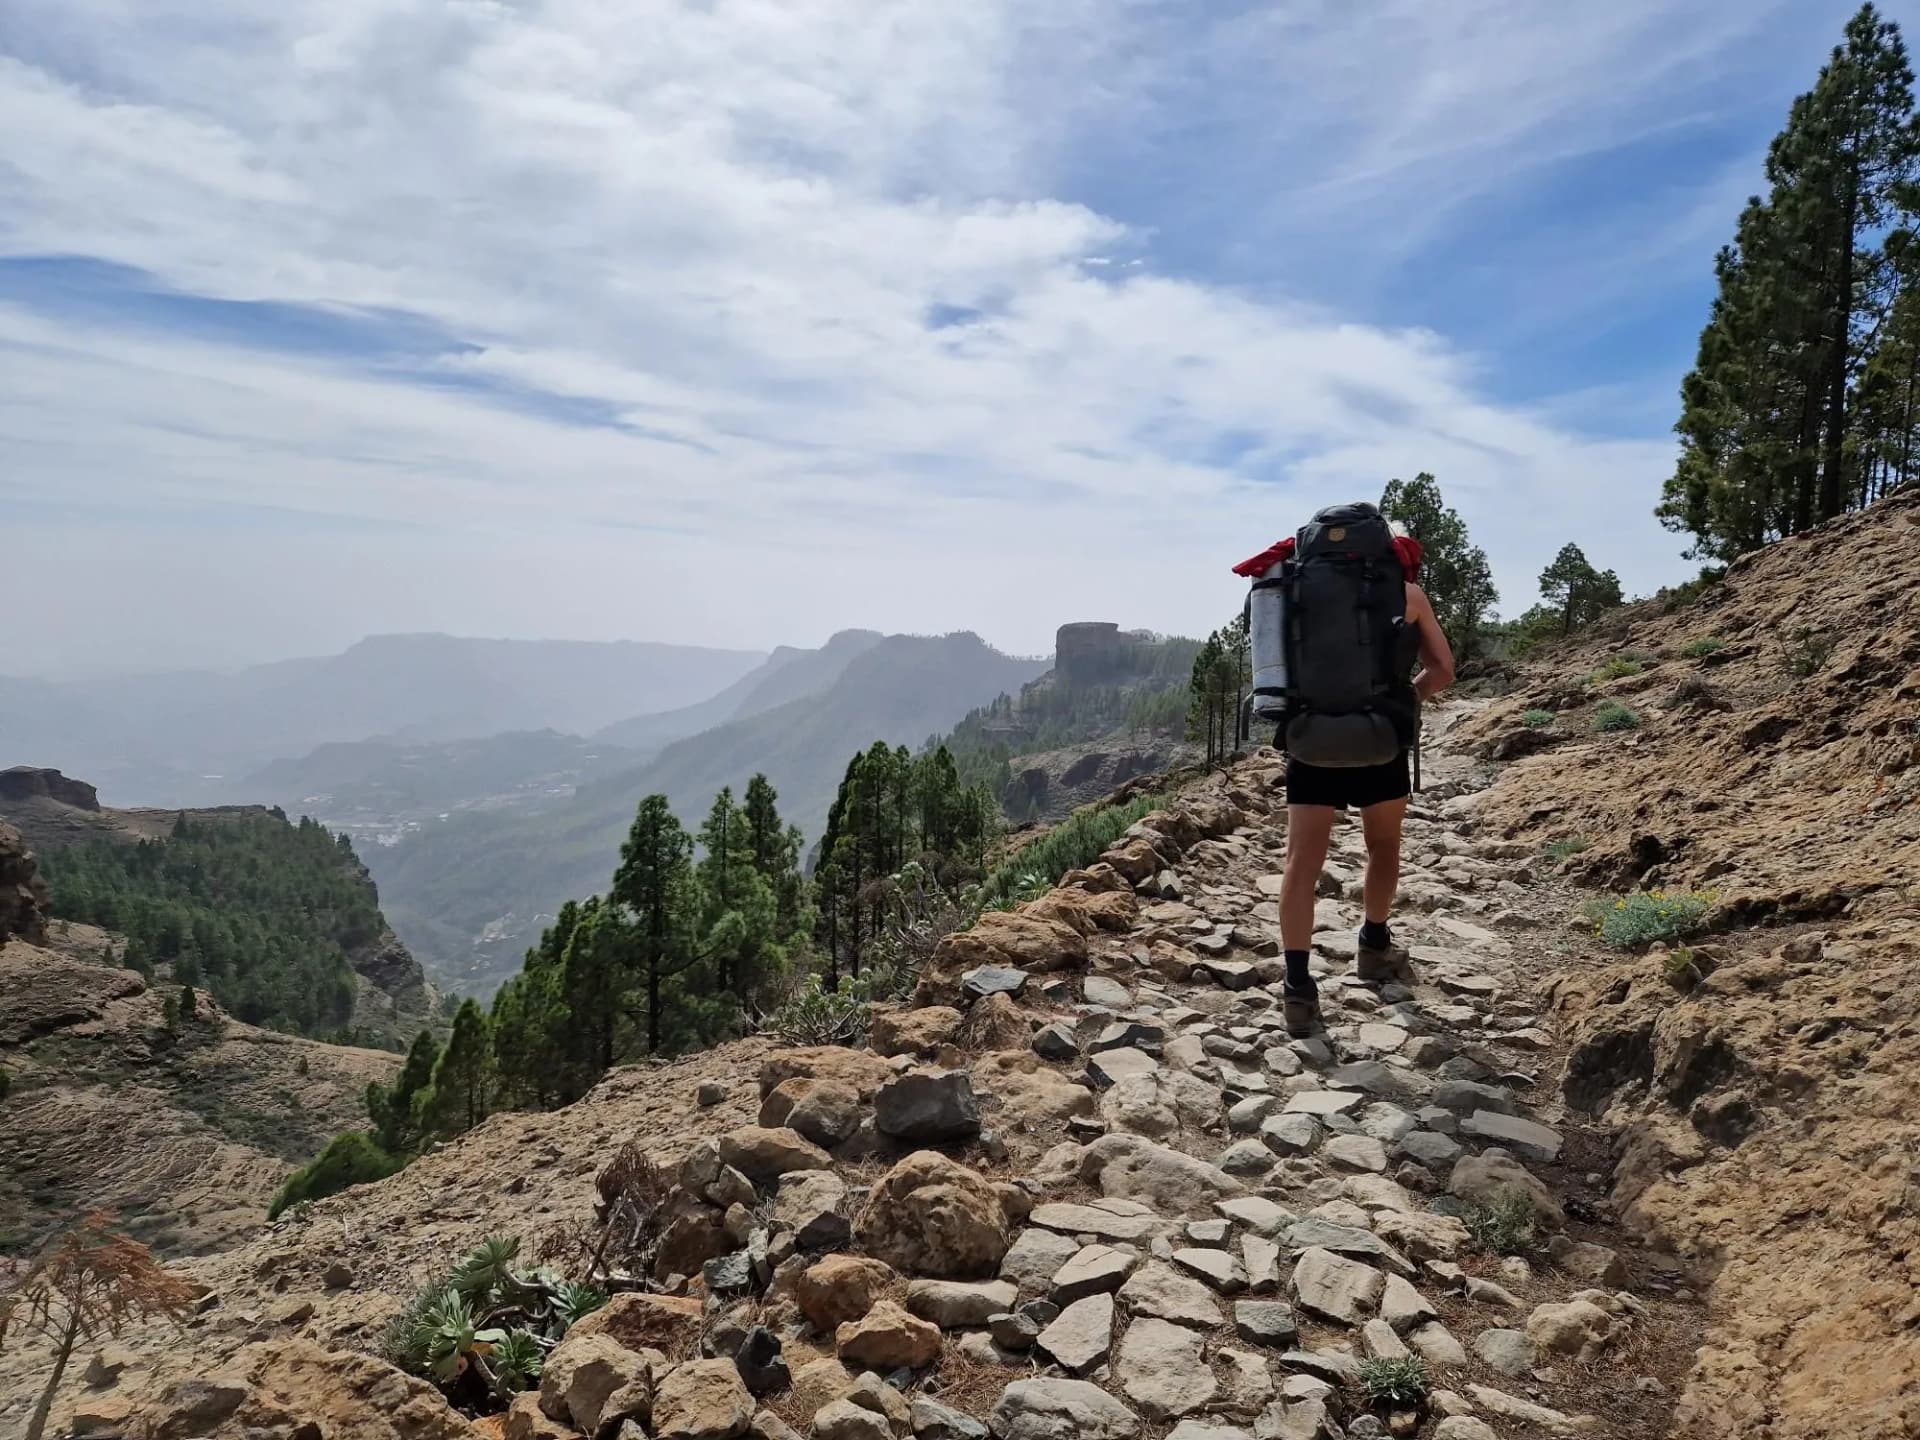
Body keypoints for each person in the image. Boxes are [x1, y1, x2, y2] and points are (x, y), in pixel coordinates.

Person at [1277, 519, 1455, 1038]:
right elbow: (1442, 669)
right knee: (1382, 845)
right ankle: (1374, 945)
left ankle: (1297, 988)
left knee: (1301, 862)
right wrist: (1399, 704)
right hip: (1381, 742)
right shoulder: (1407, 593)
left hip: (1311, 741)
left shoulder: (1289, 590)